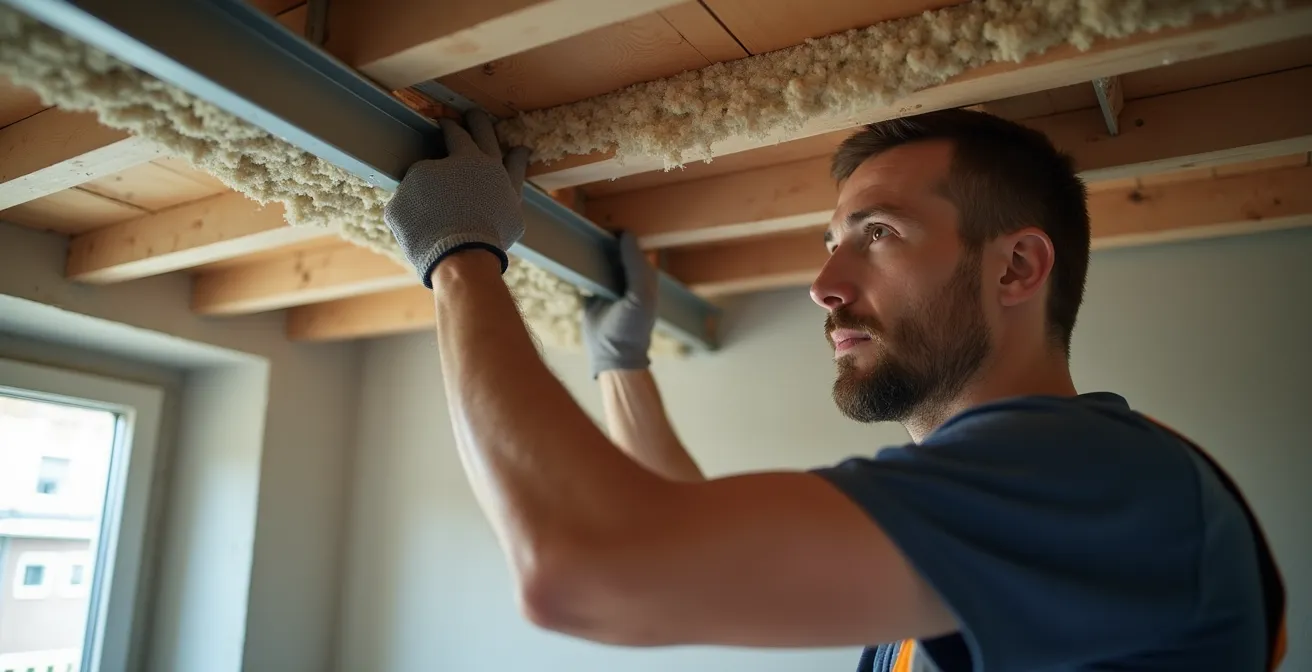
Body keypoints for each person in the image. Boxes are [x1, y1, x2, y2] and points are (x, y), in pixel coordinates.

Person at [382, 109, 1284, 671]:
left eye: (878, 232)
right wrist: (624, 369)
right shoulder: (1017, 496)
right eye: (831, 241)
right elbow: (691, 540)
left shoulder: (1087, 477)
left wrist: (462, 260)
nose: (825, 284)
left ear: (1016, 267)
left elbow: (578, 571)